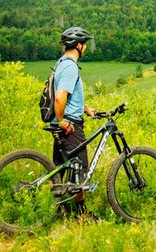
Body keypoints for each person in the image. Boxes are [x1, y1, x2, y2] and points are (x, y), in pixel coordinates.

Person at [52, 26, 98, 217]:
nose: (85, 47)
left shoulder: (61, 63)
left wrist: (85, 109)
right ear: (78, 45)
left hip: (63, 123)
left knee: (60, 170)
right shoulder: (70, 66)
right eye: (84, 44)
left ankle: (59, 210)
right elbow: (60, 97)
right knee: (80, 171)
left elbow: (69, 97)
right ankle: (81, 214)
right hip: (70, 126)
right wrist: (63, 121)